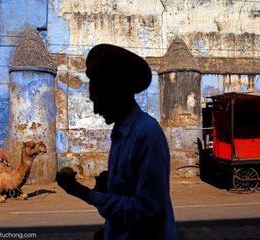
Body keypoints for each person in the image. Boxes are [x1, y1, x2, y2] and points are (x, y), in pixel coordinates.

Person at [56, 44, 178, 240]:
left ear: (115, 92)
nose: (96, 110)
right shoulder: (121, 133)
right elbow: (129, 200)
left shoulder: (145, 133)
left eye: (98, 99)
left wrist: (84, 193)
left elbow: (149, 210)